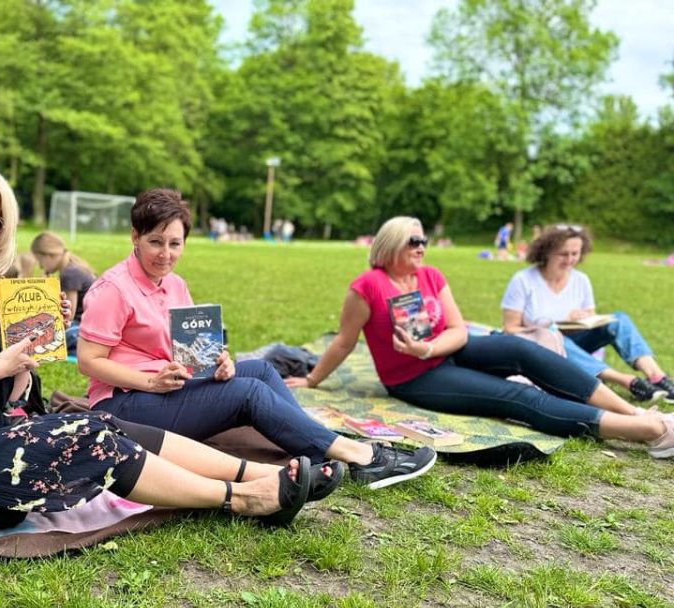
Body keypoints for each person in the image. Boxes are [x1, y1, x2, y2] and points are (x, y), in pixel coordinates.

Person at [0, 158, 326, 562]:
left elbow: (0, 400)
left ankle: (256, 474)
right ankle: (241, 499)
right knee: (85, 435)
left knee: (101, 423)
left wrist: (23, 361)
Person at [77, 189, 437, 489]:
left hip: (167, 386)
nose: (165, 254)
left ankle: (320, 449)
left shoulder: (175, 284)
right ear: (135, 237)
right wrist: (150, 382)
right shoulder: (114, 289)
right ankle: (363, 457)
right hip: (124, 405)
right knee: (247, 394)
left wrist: (217, 362)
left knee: (261, 371)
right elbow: (88, 361)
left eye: (175, 243)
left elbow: (189, 349)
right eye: (155, 242)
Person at [285, 216, 674, 460]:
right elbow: (344, 341)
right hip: (414, 377)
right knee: (517, 397)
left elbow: (457, 329)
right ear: (389, 246)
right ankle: (648, 431)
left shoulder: (430, 276)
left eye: (423, 241)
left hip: (445, 350)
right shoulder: (367, 287)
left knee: (522, 348)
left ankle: (636, 413)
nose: (421, 248)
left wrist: (428, 347)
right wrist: (313, 379)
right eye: (413, 241)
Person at [501, 224, 674, 404]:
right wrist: (545, 330)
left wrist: (581, 317)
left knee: (619, 320)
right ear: (546, 252)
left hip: (574, 342)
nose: (570, 259)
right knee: (553, 335)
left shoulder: (580, 280)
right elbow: (510, 328)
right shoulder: (523, 280)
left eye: (575, 254)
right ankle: (628, 382)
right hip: (539, 347)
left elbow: (592, 319)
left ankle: (657, 377)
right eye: (563, 254)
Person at [30, 231, 96, 350]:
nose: (40, 266)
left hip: (84, 328)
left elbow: (68, 316)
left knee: (40, 336)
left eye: (39, 261)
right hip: (89, 325)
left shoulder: (69, 273)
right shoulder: (73, 266)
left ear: (48, 255)